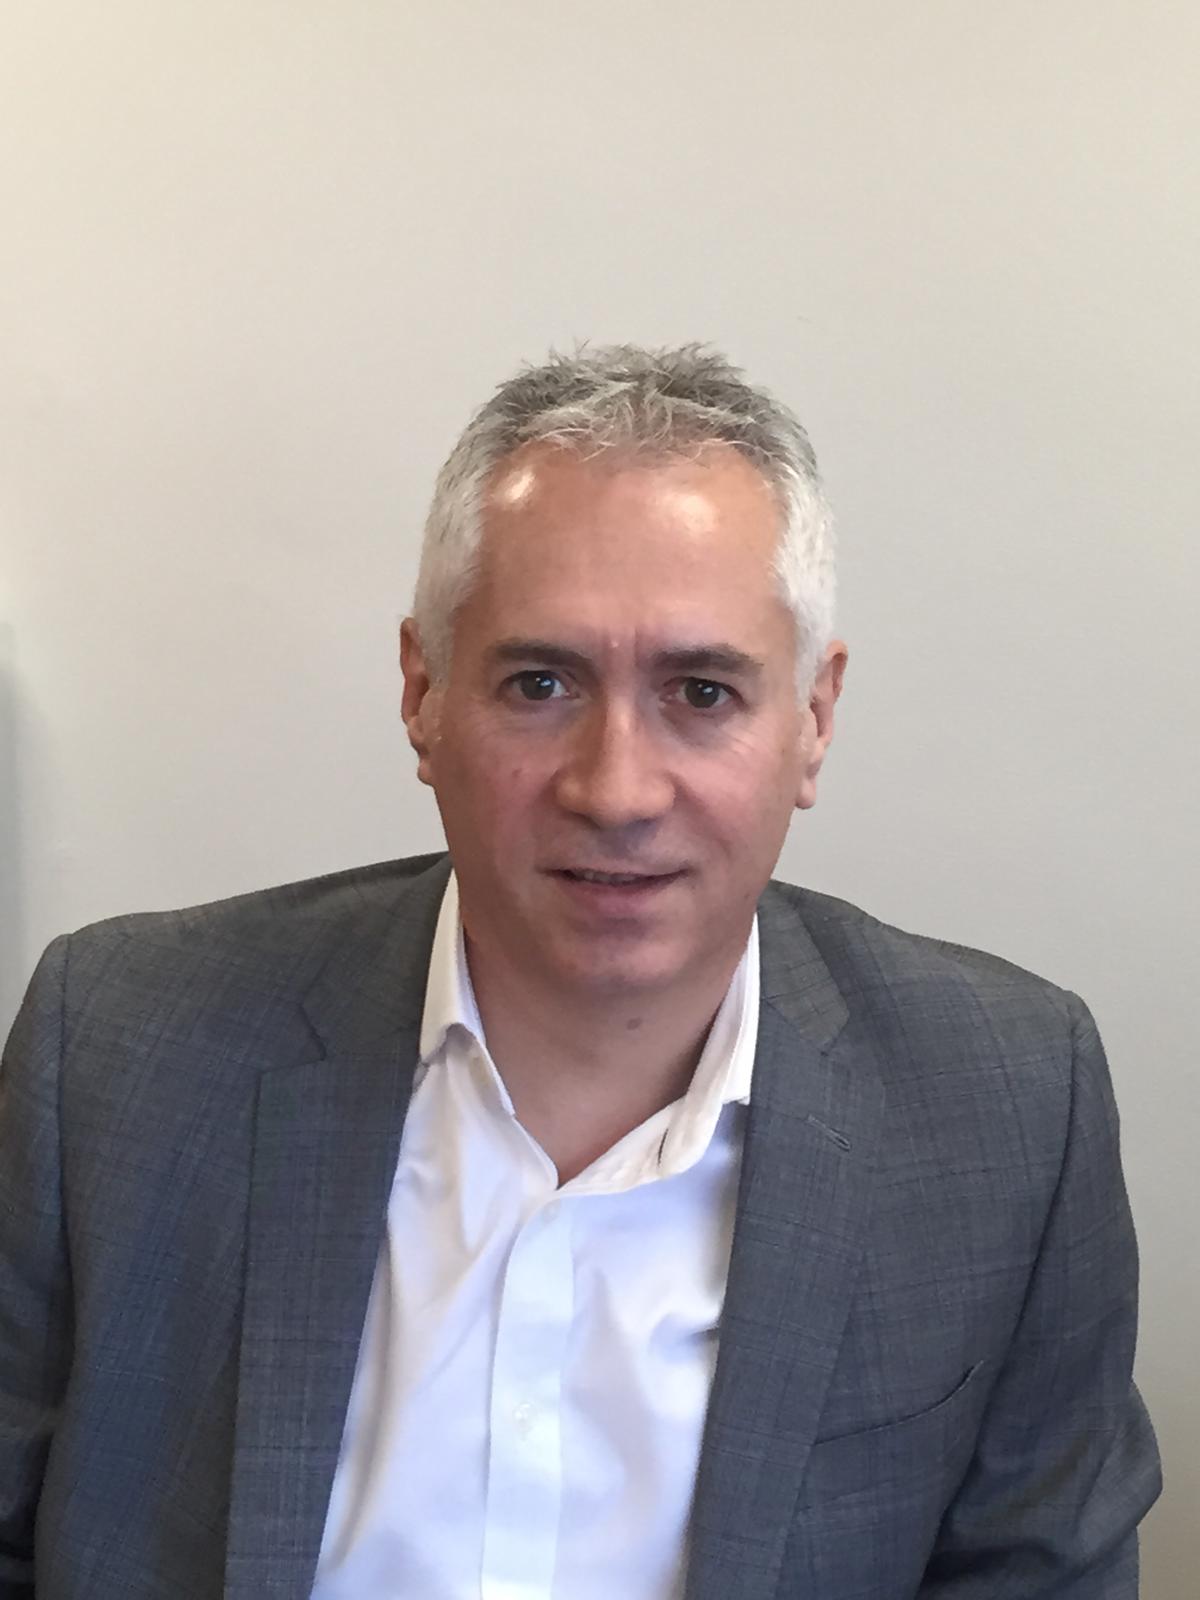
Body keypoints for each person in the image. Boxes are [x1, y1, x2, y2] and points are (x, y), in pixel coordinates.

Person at [0, 344, 1160, 1599]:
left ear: (814, 720)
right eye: (540, 683)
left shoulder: (1009, 1107)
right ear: (423, 693)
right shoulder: (115, 1049)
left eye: (701, 691)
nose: (616, 791)